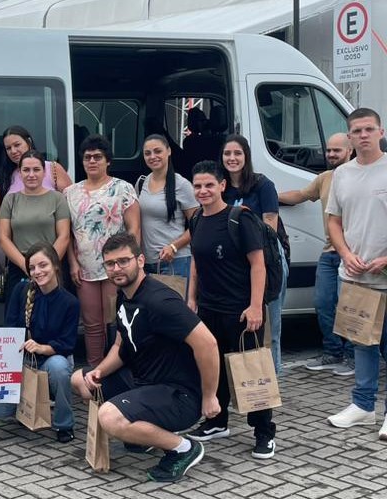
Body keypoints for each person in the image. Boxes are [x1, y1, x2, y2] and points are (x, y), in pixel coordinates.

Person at [71, 232, 220, 482]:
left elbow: (208, 344)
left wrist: (209, 396)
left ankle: (183, 448)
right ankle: (140, 435)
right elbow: (121, 344)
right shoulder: (124, 295)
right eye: (110, 263)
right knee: (79, 380)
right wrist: (101, 372)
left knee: (108, 416)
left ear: (140, 261)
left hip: (179, 394)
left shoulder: (160, 300)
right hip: (144, 381)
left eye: (123, 261)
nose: (116, 268)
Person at [186, 160, 277, 459]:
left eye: (209, 185)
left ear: (223, 185)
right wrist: (191, 299)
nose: (203, 191)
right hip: (209, 308)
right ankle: (216, 421)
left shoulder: (240, 218)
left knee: (251, 370)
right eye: (198, 186)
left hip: (240, 310)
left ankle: (264, 432)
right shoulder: (197, 220)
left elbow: (258, 264)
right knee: (214, 368)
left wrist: (255, 306)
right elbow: (196, 263)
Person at [325, 108, 387, 436]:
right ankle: (363, 406)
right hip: (355, 274)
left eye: (368, 129)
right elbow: (334, 220)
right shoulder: (342, 174)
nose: (363, 135)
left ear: (380, 131)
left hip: (386, 274)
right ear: (349, 137)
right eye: (356, 131)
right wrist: (346, 253)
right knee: (362, 343)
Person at [0, 242, 79, 443]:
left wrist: (41, 348)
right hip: (22, 358)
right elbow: (10, 326)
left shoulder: (70, 302)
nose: (37, 272)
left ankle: (64, 424)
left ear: (55, 265)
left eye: (43, 265)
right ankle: (25, 406)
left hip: (51, 359)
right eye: (32, 267)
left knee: (60, 368)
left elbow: (67, 343)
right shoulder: (21, 290)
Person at [279, 133, 354, 375]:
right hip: (329, 253)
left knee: (350, 308)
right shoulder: (324, 178)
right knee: (322, 303)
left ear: (349, 150)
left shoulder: (358, 177)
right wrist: (268, 194)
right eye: (329, 150)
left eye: (337, 150)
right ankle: (333, 352)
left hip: (353, 255)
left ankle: (353, 357)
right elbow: (300, 196)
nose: (331, 154)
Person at [64, 134, 140, 367]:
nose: (92, 161)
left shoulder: (122, 189)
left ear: (108, 161)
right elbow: (67, 233)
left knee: (115, 322)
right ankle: (95, 373)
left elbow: (134, 228)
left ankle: (118, 369)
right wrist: (73, 263)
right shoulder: (70, 193)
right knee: (91, 324)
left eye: (98, 157)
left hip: (115, 267)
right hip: (85, 268)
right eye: (87, 157)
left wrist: (129, 262)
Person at [221, 134, 289, 374]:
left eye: (237, 153)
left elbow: (270, 227)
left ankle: (273, 379)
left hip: (268, 259)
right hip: (237, 262)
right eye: (227, 154)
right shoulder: (221, 188)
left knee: (270, 324)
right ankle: (248, 383)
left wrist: (246, 221)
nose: (232, 158)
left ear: (246, 156)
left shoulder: (263, 185)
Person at [0, 150, 71, 308]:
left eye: (36, 169)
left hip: (52, 266)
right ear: (20, 172)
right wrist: (27, 266)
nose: (31, 174)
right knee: (18, 322)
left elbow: (64, 236)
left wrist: (47, 265)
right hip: (20, 267)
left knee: (52, 319)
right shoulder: (10, 200)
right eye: (26, 170)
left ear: (44, 173)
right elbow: (3, 238)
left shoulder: (57, 199)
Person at [137, 134, 199, 278]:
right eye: (148, 153)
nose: (153, 156)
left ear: (169, 151)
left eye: (158, 151)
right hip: (146, 262)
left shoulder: (182, 185)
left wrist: (174, 247)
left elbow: (198, 224)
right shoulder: (141, 183)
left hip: (175, 261)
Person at [0, 125, 72, 201]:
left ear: (29, 141)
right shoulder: (6, 175)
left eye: (17, 145)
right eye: (8, 148)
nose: (13, 151)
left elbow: (71, 200)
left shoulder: (53, 168)